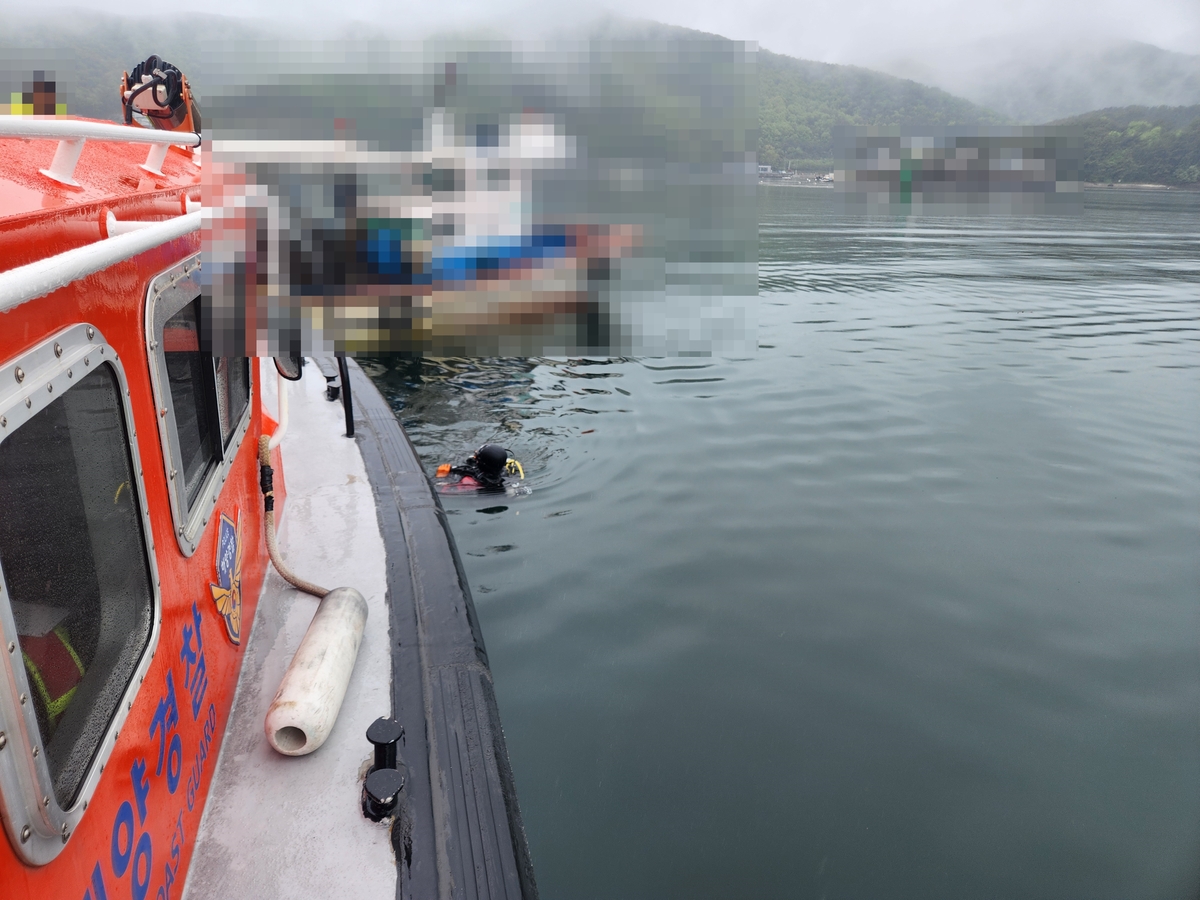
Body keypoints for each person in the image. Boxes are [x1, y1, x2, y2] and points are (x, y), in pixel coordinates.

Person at [436, 443, 523, 493]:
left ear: (479, 462)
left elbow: (442, 491)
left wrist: (441, 475)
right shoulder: (506, 472)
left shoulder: (468, 482)